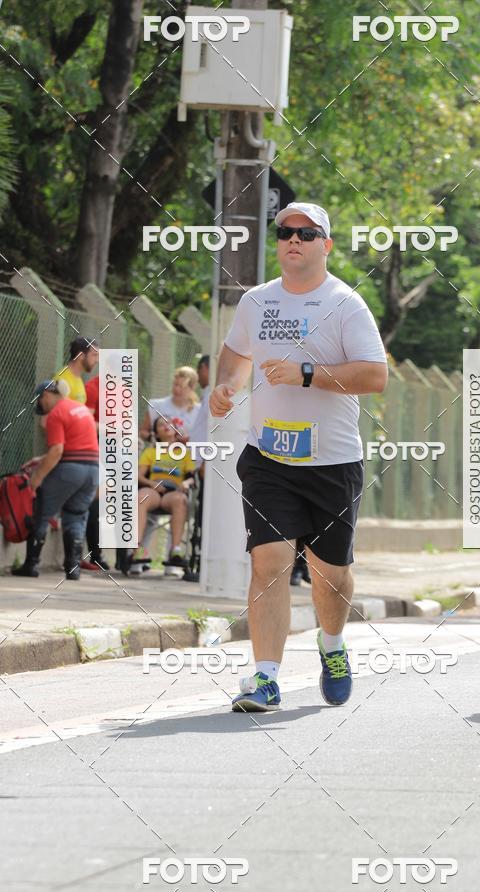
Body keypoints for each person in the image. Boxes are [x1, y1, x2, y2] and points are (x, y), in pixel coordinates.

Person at [210, 201, 388, 713]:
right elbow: (236, 352)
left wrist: (308, 373)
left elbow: (375, 376)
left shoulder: (345, 303)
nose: (294, 239)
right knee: (268, 562)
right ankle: (266, 678)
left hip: (332, 462)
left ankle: (332, 645)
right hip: (268, 457)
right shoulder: (256, 301)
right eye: (285, 231)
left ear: (325, 245)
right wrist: (226, 386)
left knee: (329, 576)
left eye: (307, 234)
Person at [13, 379, 99, 580]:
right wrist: (41, 459)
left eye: (40, 401)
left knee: (41, 512)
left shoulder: (56, 414)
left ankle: (31, 565)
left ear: (46, 395)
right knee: (76, 516)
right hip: (92, 470)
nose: (41, 406)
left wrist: (36, 478)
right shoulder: (81, 409)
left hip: (70, 470)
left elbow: (57, 451)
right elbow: (76, 446)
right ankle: (73, 568)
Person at [130, 417, 197, 573]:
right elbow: (139, 476)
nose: (166, 426)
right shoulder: (151, 451)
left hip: (173, 492)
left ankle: (175, 549)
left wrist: (185, 484)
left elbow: (192, 477)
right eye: (161, 424)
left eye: (169, 423)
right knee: (141, 497)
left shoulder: (185, 453)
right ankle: (137, 549)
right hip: (153, 489)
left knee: (180, 500)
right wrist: (152, 484)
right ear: (156, 433)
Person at [80, 373, 109, 572]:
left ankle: (97, 554)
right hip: (92, 448)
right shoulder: (93, 388)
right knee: (92, 502)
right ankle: (93, 554)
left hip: (112, 450)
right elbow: (89, 423)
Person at [139, 366, 201, 443]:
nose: (177, 389)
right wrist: (157, 439)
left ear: (192, 388)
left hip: (188, 450)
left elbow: (203, 435)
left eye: (182, 387)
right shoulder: (156, 405)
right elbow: (143, 431)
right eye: (175, 384)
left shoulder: (199, 410)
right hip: (161, 450)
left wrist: (190, 440)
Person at [54, 337, 99, 404]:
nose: (97, 360)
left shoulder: (77, 377)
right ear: (81, 356)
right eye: (94, 355)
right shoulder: (62, 380)